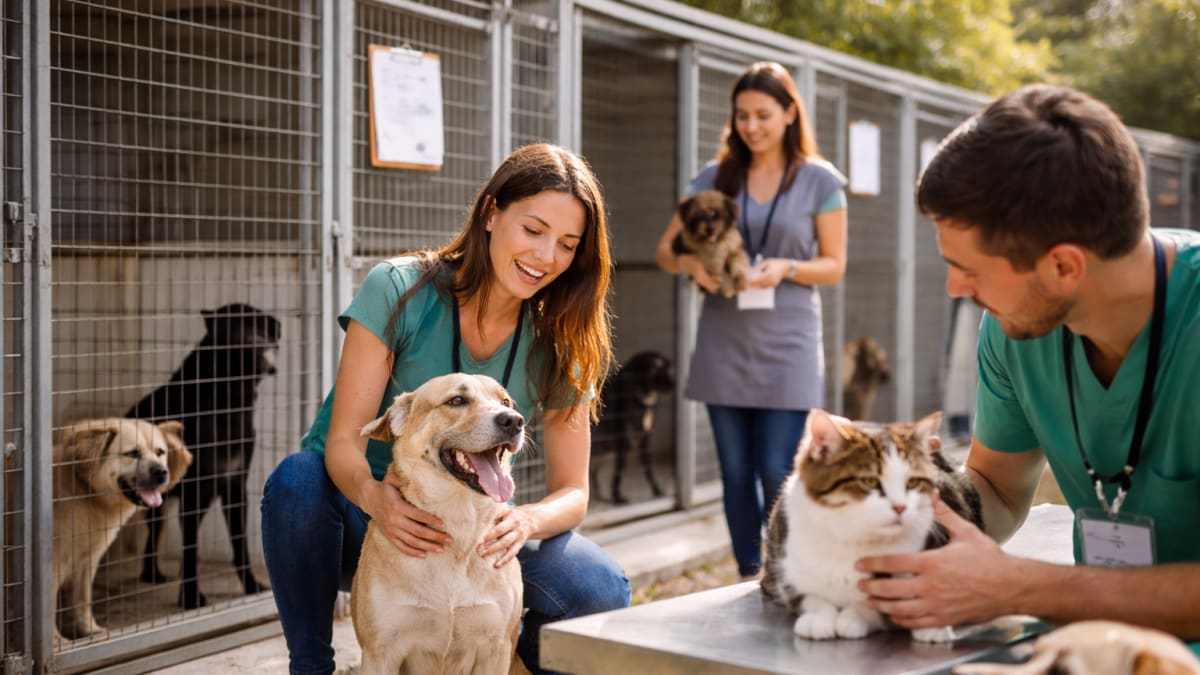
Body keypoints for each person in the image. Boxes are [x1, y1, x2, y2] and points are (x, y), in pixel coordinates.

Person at [261, 143, 631, 675]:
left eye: (568, 244)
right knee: (296, 481)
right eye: (533, 230)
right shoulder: (399, 288)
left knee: (599, 590)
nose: (546, 256)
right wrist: (377, 500)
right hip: (363, 516)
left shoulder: (563, 336)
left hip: (480, 528)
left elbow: (573, 491)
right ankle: (312, 665)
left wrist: (523, 521)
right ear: (490, 213)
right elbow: (344, 440)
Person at [856, 84, 1200, 654]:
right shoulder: (1016, 327)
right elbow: (997, 487)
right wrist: (925, 503)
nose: (955, 289)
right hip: (1095, 650)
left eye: (969, 270)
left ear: (1064, 265)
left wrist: (1018, 586)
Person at [655, 61, 848, 579]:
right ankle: (748, 573)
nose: (752, 126)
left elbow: (834, 265)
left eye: (763, 114)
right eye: (742, 116)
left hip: (789, 340)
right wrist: (694, 266)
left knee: (776, 468)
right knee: (736, 471)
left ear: (790, 113)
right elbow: (665, 252)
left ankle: (786, 570)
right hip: (724, 337)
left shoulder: (819, 180)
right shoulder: (713, 177)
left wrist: (787, 266)